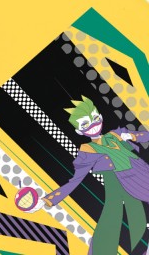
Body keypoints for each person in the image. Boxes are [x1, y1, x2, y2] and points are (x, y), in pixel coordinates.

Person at [27, 96, 149, 255]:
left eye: (95, 119)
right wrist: (48, 200)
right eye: (85, 124)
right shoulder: (87, 151)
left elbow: (145, 136)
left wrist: (132, 136)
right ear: (79, 131)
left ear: (101, 117)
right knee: (114, 221)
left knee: (135, 220)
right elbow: (74, 181)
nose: (93, 125)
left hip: (143, 171)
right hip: (125, 183)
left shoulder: (116, 134)